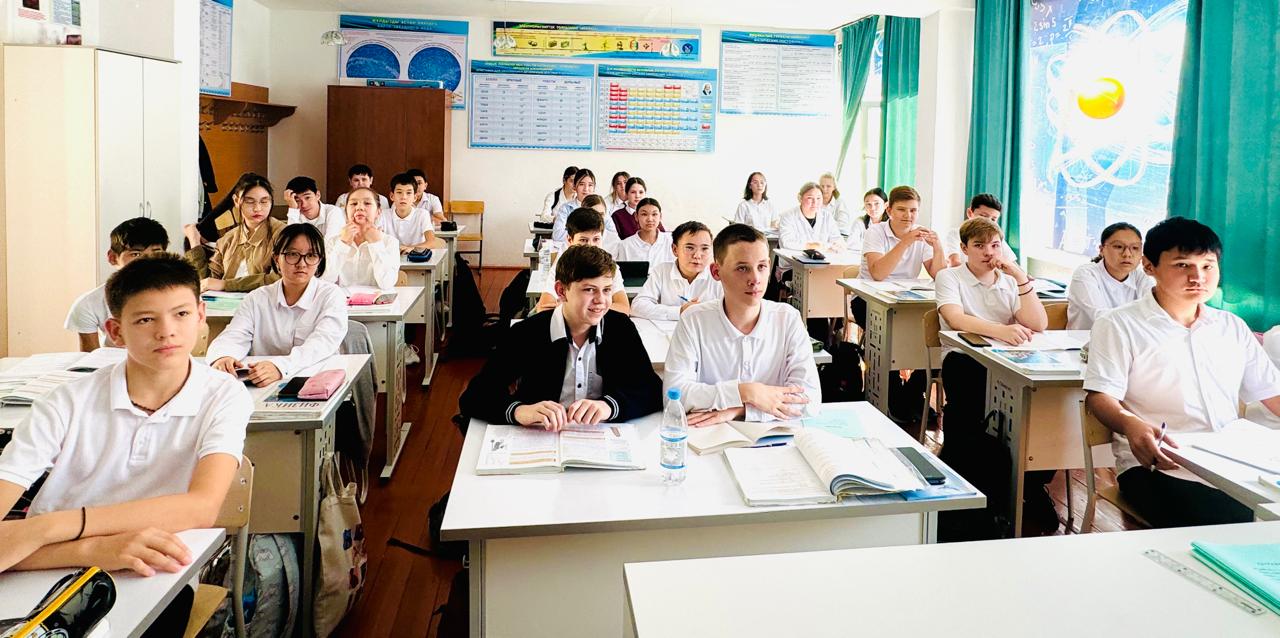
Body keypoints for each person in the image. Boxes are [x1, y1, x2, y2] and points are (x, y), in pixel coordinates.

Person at [0, 255, 251, 634]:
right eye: (146, 320)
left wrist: (46, 529)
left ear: (201, 315)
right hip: (43, 573)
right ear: (115, 331)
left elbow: (202, 506)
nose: (166, 332)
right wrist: (91, 549)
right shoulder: (66, 402)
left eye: (181, 314)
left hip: (153, 572)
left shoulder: (223, 396)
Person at [1084, 216, 1280, 528]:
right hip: (1157, 463)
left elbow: (1273, 395)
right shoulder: (1118, 324)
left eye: (1207, 266)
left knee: (1261, 510)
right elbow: (1100, 396)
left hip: (1231, 460)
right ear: (1149, 267)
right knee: (1233, 518)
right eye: (1182, 265)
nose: (1197, 277)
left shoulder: (1231, 326)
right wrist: (1129, 423)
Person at [459, 245, 662, 428]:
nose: (601, 300)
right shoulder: (528, 332)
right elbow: (475, 396)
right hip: (541, 435)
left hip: (601, 435)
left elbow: (651, 389)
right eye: (589, 290)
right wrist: (519, 411)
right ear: (561, 291)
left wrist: (609, 406)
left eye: (607, 290)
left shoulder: (621, 328)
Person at [664, 224, 821, 424]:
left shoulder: (788, 319)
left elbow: (809, 400)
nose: (755, 279)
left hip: (774, 435)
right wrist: (744, 391)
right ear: (716, 271)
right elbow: (674, 396)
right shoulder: (694, 320)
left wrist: (741, 409)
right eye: (742, 268)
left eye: (762, 267)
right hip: (710, 435)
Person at [206, 224, 349, 387]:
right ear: (276, 259)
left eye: (311, 255)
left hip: (317, 384)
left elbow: (320, 345)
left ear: (320, 260)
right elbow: (234, 335)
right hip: (261, 384)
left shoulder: (331, 296)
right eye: (292, 254)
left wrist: (280, 367)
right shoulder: (256, 299)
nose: (302, 264)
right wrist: (223, 357)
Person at [66, 217, 168, 352]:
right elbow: (90, 360)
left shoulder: (180, 297)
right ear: (113, 258)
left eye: (157, 253)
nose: (148, 261)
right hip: (115, 363)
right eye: (136, 254)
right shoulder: (88, 304)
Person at [535, 208, 630, 315]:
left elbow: (623, 308)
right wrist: (597, 308)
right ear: (570, 240)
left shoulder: (609, 266)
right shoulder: (562, 266)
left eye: (596, 239)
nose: (591, 246)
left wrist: (572, 306)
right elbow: (543, 308)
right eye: (583, 240)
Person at [202, 173, 285, 293]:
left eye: (264, 202)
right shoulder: (228, 239)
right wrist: (194, 242)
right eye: (250, 202)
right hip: (224, 302)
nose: (257, 208)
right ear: (236, 201)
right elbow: (209, 280)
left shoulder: (283, 234)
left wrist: (227, 285)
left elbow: (278, 278)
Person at [1066, 222, 1153, 329]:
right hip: (1086, 338)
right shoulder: (1086, 274)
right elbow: (1102, 318)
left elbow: (1154, 313)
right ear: (1102, 250)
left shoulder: (1141, 277)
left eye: (1135, 248)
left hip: (1130, 338)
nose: (1127, 254)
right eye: (1118, 246)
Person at [631, 221, 722, 321]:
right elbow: (637, 306)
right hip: (665, 330)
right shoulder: (662, 271)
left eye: (704, 248)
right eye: (690, 248)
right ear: (675, 249)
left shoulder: (718, 276)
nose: (697, 255)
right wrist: (680, 311)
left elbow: (730, 312)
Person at [858, 185, 946, 282]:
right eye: (901, 209)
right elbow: (878, 275)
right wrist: (905, 242)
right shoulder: (875, 231)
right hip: (870, 290)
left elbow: (940, 277)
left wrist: (938, 247)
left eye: (913, 210)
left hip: (906, 290)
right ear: (889, 211)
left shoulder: (922, 233)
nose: (908, 215)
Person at [323, 187, 400, 289]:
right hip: (342, 298)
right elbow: (325, 281)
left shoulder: (390, 242)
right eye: (354, 204)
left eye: (367, 203)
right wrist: (343, 244)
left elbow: (386, 283)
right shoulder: (333, 242)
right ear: (345, 212)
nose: (359, 208)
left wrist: (376, 244)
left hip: (377, 299)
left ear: (378, 212)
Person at [944, 194, 1017, 267]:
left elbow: (1013, 264)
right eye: (983, 216)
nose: (988, 222)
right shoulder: (955, 234)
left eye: (993, 219)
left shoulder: (996, 239)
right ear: (969, 213)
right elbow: (954, 263)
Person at [778, 182, 845, 254]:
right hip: (793, 259)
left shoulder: (827, 216)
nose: (815, 202)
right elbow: (787, 242)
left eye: (818, 198)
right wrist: (811, 246)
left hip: (823, 259)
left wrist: (835, 246)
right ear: (800, 198)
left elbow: (838, 240)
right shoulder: (787, 216)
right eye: (810, 198)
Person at [382, 172, 440, 254]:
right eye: (399, 192)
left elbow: (432, 242)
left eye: (409, 193)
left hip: (416, 258)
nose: (403, 197)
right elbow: (374, 241)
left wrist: (411, 248)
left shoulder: (422, 214)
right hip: (391, 258)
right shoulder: (383, 215)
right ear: (392, 196)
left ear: (414, 197)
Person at [613, 198, 673, 268]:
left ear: (660, 216)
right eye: (644, 214)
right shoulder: (625, 245)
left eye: (654, 214)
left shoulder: (671, 241)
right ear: (636, 216)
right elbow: (622, 272)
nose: (650, 219)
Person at [551, 168, 597, 244]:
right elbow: (557, 235)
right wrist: (586, 235)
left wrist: (576, 234)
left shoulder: (600, 207)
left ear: (594, 187)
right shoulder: (566, 208)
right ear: (575, 187)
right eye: (581, 184)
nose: (586, 189)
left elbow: (612, 233)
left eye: (590, 185)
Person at [819, 172, 857, 242]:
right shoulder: (815, 202)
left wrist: (822, 226)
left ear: (834, 187)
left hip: (837, 238)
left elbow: (842, 225)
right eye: (822, 186)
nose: (824, 189)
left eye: (828, 186)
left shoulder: (840, 203)